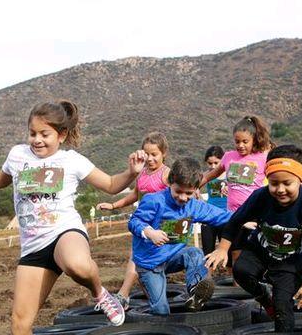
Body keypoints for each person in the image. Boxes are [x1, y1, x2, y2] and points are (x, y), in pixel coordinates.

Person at [0, 100, 146, 335]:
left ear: (61, 135)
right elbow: (1, 179)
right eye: (33, 133)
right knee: (20, 323)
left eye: (44, 134)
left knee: (77, 264)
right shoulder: (17, 155)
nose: (37, 140)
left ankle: (100, 293)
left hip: (64, 233)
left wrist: (131, 172)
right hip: (33, 247)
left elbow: (112, 185)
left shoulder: (71, 160)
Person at [205, 145, 302, 332]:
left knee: (282, 305)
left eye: (287, 183)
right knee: (241, 270)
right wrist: (222, 249)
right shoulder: (260, 196)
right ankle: (263, 296)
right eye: (274, 183)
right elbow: (235, 221)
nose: (280, 189)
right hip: (260, 249)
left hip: (291, 261)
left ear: (300, 180)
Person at [128, 157, 232, 315]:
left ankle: (196, 291)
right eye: (178, 191)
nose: (183, 197)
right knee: (161, 310)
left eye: (188, 193)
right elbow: (134, 221)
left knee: (195, 253)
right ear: (170, 183)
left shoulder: (194, 206)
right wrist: (150, 232)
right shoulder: (154, 200)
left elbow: (222, 216)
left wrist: (245, 219)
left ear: (196, 189)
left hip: (173, 257)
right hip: (150, 263)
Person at [96, 132, 171, 309]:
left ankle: (123, 295)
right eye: (147, 155)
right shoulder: (142, 174)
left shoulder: (166, 174)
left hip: (159, 228)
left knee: (141, 261)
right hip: (142, 225)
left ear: (164, 153)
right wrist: (114, 206)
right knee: (140, 261)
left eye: (155, 154)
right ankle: (147, 299)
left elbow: (178, 192)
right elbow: (134, 195)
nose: (150, 159)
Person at [200, 116, 272, 265]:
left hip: (255, 216)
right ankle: (237, 287)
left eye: (245, 142)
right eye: (237, 141)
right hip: (235, 217)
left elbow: (279, 175)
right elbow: (209, 176)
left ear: (254, 139)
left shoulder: (263, 158)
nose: (240, 145)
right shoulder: (229, 157)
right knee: (236, 257)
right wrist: (193, 186)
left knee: (257, 256)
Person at [200, 145, 227, 255]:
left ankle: (230, 272)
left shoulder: (230, 175)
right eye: (209, 163)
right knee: (207, 250)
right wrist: (201, 202)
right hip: (210, 215)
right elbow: (192, 188)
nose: (213, 166)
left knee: (227, 252)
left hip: (226, 216)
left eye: (216, 162)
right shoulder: (206, 175)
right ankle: (208, 273)